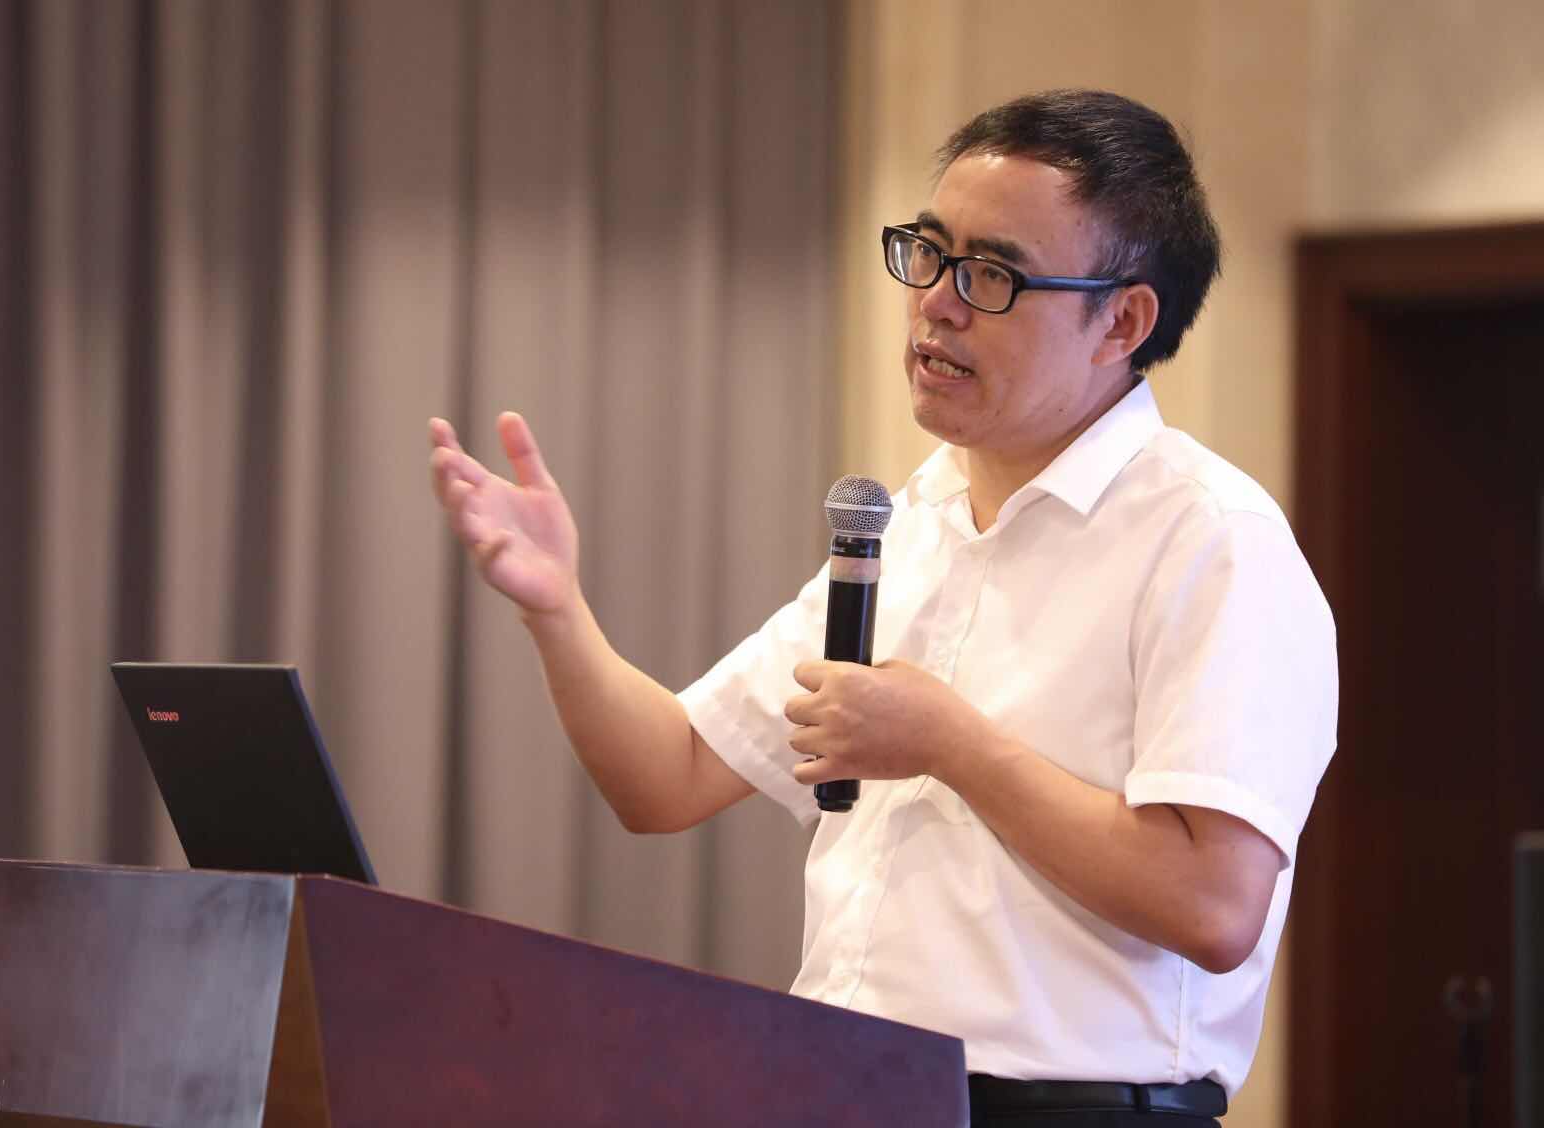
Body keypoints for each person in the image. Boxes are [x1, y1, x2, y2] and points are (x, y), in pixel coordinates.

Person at [428, 89, 1336, 1126]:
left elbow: (1213, 906)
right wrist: (556, 609)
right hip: (845, 1091)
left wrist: (951, 743)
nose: (937, 304)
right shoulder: (909, 523)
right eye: (929, 253)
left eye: (991, 274)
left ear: (1120, 321)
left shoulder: (1210, 540)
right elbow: (665, 776)